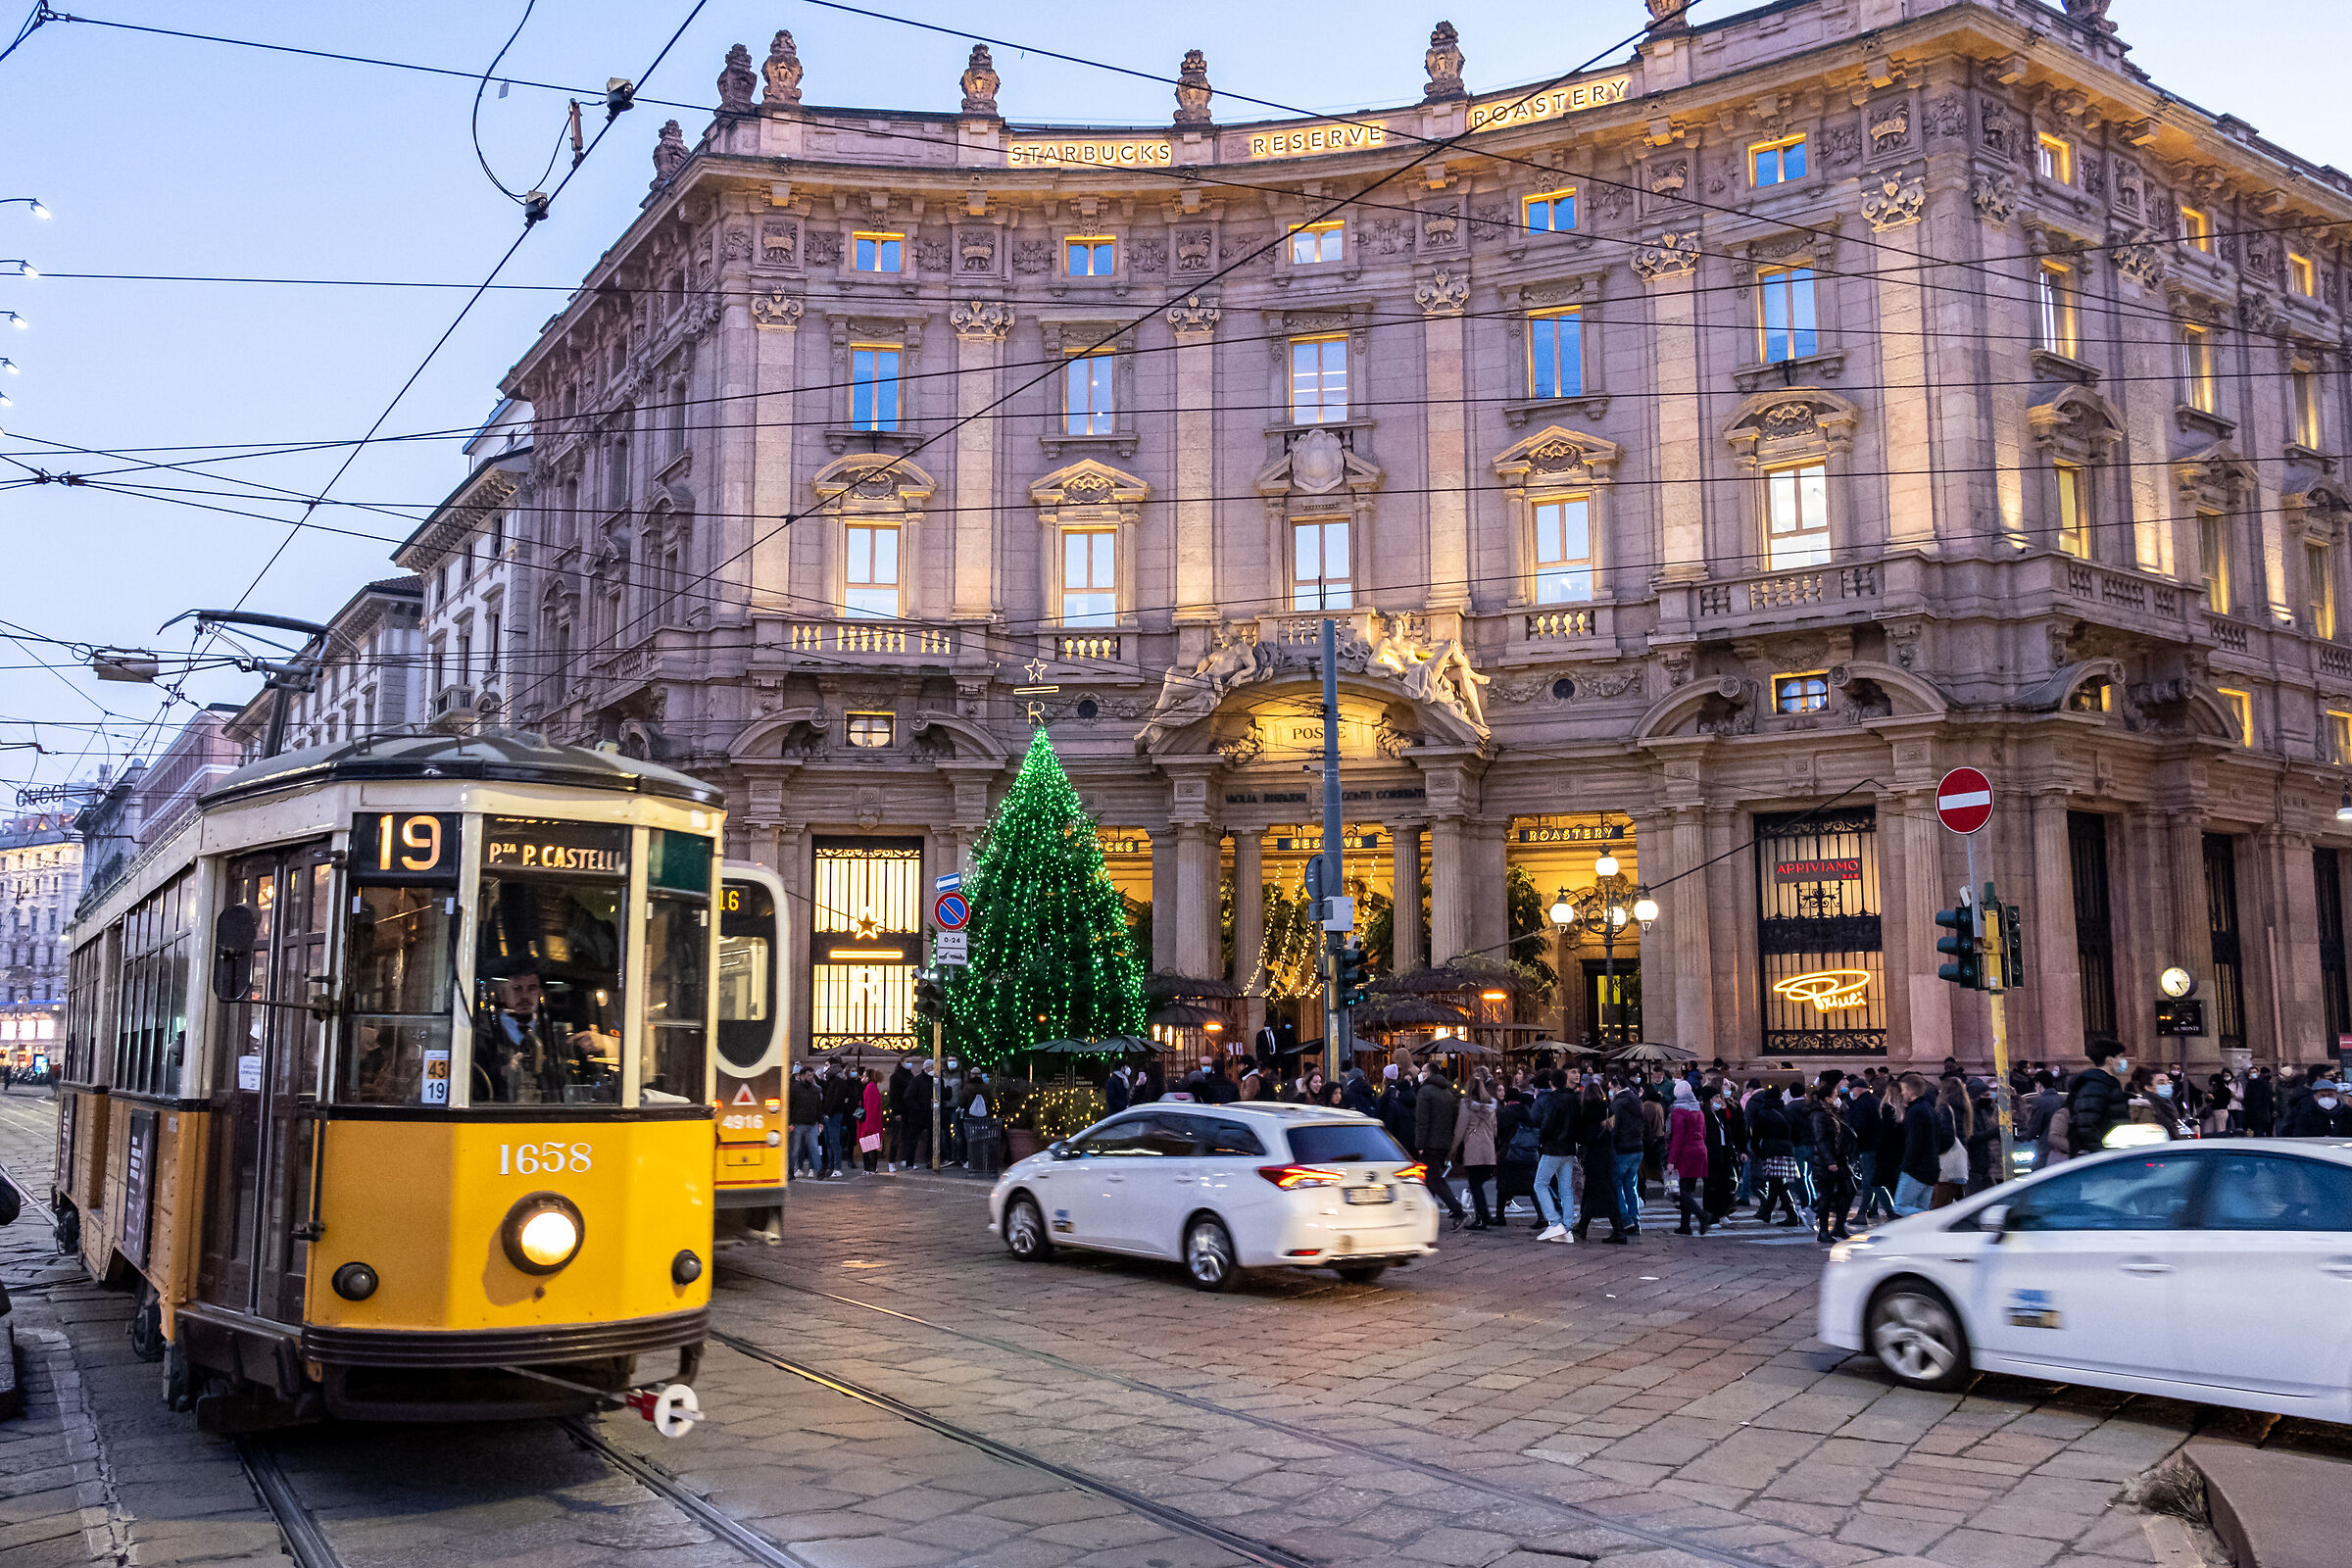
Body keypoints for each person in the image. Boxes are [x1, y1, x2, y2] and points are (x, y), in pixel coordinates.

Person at [1575, 1079, 1628, 1244]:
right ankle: (1583, 1225)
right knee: (1599, 1191)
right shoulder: (1607, 1109)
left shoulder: (1586, 1112)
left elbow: (1584, 1137)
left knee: (1601, 1192)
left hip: (1594, 1156)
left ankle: (1619, 1231)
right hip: (1608, 1154)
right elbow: (1612, 1130)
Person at [1414, 1065, 1468, 1228]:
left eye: (1423, 1071)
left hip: (1430, 1143)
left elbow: (1422, 1120)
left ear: (1428, 1074)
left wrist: (1420, 1143)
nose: (1421, 1074)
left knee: (1433, 1179)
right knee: (1431, 1178)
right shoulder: (1447, 1092)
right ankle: (1424, 1213)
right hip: (1443, 1142)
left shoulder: (1425, 1092)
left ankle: (1457, 1211)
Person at [2061, 1038, 2131, 1159]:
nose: (2123, 1061)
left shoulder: (2106, 1083)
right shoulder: (2095, 1085)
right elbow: (2086, 1123)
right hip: (2101, 1156)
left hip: (2112, 1151)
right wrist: (2099, 1152)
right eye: (2120, 1057)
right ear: (2110, 1060)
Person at [1533, 1069, 1581, 1243]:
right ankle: (1567, 1227)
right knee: (1566, 1189)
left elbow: (1547, 1124)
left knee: (1540, 1184)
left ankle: (1554, 1222)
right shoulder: (1574, 1099)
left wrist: (1542, 1139)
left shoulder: (1551, 1100)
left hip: (1553, 1148)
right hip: (1569, 1148)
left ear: (1551, 1083)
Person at [1452, 1074, 1501, 1230]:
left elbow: (1460, 1128)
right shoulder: (1491, 1106)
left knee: (1474, 1184)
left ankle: (1480, 1218)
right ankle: (1485, 1215)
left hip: (1473, 1148)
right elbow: (1495, 1129)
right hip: (1488, 1149)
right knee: (1478, 1183)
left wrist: (1453, 1149)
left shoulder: (1466, 1105)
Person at [1748, 1086, 1802, 1226]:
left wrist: (1758, 1151)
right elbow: (1796, 1133)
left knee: (1779, 1183)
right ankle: (1766, 1212)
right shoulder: (1787, 1111)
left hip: (1771, 1150)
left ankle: (1792, 1214)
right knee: (1775, 1183)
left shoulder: (1764, 1113)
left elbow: (1756, 1135)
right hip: (1787, 1149)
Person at [1666, 1079, 1710, 1236]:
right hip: (1700, 1150)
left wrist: (1671, 1160)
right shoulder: (1698, 1110)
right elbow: (1704, 1133)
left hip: (1686, 1153)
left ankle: (1702, 1215)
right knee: (1688, 1189)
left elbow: (1677, 1138)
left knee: (1680, 1190)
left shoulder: (1678, 1111)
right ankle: (1685, 1226)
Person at [1893, 1073, 1941, 1216]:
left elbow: (1914, 1142)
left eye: (1903, 1089)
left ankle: (1936, 1218)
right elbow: (1940, 1137)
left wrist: (1906, 1166)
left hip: (1916, 1169)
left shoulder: (1915, 1112)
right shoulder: (1929, 1108)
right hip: (1932, 1167)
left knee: (1900, 1206)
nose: (1902, 1093)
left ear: (1911, 1091)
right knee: (1921, 1208)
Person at [1608, 1078, 1648, 1236]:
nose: (1610, 1091)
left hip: (1622, 1148)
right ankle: (1635, 1219)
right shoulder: (1636, 1100)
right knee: (1631, 1185)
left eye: (1611, 1088)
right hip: (1637, 1147)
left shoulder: (1618, 1103)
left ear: (1617, 1087)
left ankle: (1625, 1220)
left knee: (1617, 1184)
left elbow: (1614, 1127)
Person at [787, 1067, 823, 1179]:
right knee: (795, 1149)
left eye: (812, 1075)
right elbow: (789, 1106)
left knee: (814, 1148)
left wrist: (820, 1121)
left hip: (811, 1124)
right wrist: (789, 1123)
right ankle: (791, 1171)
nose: (810, 1078)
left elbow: (819, 1107)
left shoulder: (815, 1090)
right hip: (797, 1123)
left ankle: (819, 1170)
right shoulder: (795, 1089)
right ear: (802, 1076)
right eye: (808, 1075)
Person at [2284, 1078, 2352, 1136]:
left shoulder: (2346, 1112)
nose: (2327, 1098)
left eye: (2330, 1095)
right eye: (2323, 1095)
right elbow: (2299, 1134)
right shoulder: (2306, 1113)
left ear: (2336, 1095)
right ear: (2315, 1097)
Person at [858, 1068, 887, 1173]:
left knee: (868, 1148)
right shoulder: (871, 1088)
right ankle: (871, 1168)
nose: (863, 1078)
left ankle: (869, 1168)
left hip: (869, 1123)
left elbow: (869, 1107)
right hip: (870, 1122)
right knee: (870, 1147)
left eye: (865, 1076)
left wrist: (867, 1125)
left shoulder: (870, 1088)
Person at [2243, 1067, 2277, 1137]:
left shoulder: (2265, 1084)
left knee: (2259, 1133)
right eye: (2251, 1072)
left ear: (2258, 1073)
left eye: (2254, 1072)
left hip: (2261, 1113)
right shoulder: (2248, 1084)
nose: (2252, 1074)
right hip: (2252, 1114)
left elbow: (2268, 1099)